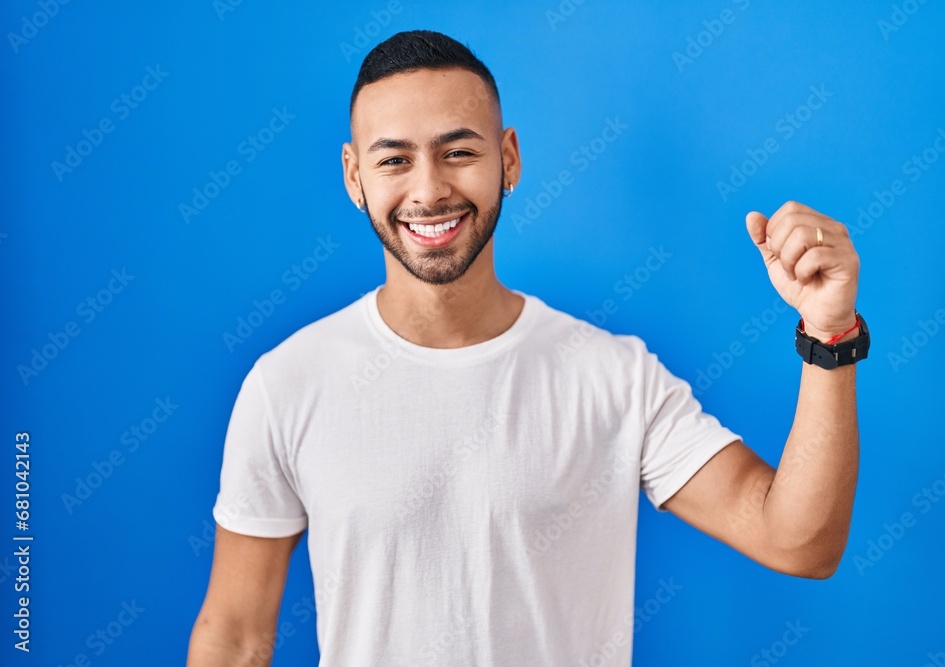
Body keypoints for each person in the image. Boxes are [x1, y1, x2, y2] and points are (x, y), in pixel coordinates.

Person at [187, 29, 866, 667]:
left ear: (508, 158)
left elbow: (800, 540)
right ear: (353, 174)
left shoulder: (612, 376)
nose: (428, 189)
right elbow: (238, 635)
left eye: (459, 151)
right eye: (395, 159)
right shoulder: (288, 383)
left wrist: (829, 331)